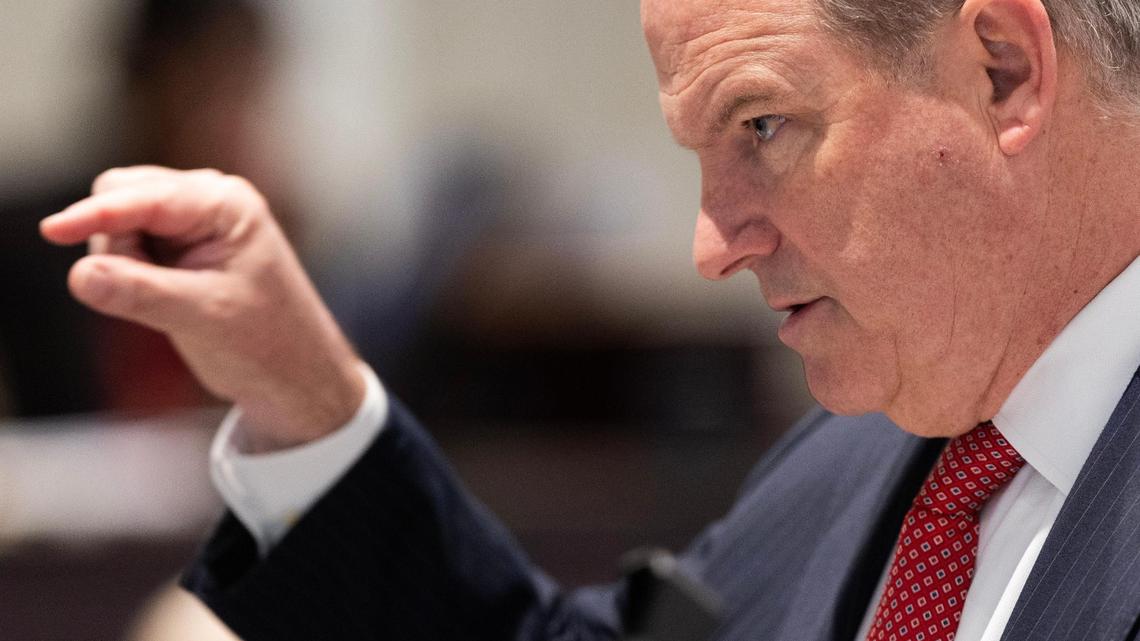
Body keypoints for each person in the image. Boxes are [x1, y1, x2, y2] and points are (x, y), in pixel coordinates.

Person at [38, 0, 1140, 639]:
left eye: (762, 125)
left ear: (1003, 70)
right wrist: (306, 399)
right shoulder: (872, 456)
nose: (712, 243)